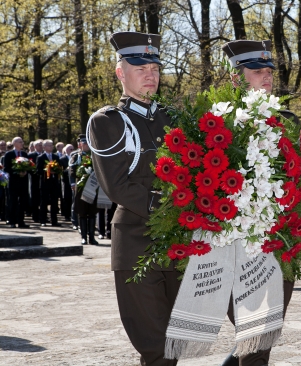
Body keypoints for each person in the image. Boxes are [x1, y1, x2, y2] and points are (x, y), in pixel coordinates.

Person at [87, 32, 179, 366]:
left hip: (179, 242)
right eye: (139, 67)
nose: (150, 74)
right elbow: (118, 186)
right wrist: (172, 207)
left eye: (154, 67)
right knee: (155, 347)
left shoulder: (173, 119)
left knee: (177, 343)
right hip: (136, 243)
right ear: (120, 73)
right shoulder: (108, 121)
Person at [220, 39, 298, 366]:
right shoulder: (219, 122)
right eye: (257, 71)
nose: (266, 76)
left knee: (263, 335)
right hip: (235, 248)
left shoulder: (286, 119)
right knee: (254, 335)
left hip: (281, 245)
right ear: (237, 78)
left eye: (268, 71)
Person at [69, 134, 98, 244]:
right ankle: (84, 237)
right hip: (80, 186)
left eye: (87, 143)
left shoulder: (94, 155)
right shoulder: (76, 156)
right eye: (83, 143)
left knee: (92, 212)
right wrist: (72, 183)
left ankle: (92, 237)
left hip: (92, 186)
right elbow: (72, 170)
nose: (85, 145)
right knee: (82, 212)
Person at [3, 137, 30, 228]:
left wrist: (25, 171)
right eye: (20, 142)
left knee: (22, 201)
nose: (22, 143)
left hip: (23, 182)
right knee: (13, 201)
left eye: (22, 142)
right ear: (14, 143)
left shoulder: (24, 154)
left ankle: (21, 221)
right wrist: (16, 172)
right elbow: (6, 168)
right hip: (13, 182)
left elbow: (28, 166)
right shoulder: (9, 154)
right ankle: (12, 221)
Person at [36, 139, 61, 227]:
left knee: (54, 202)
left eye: (52, 145)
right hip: (44, 182)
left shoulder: (56, 156)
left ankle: (54, 220)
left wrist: (56, 171)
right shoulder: (41, 157)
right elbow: (38, 170)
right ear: (44, 147)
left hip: (54, 182)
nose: (51, 147)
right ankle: (43, 220)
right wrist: (47, 170)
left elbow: (59, 168)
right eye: (49, 145)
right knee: (44, 202)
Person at [28, 139, 43, 222]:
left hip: (43, 179)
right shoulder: (31, 155)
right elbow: (28, 167)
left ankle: (42, 216)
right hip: (34, 179)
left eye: (41, 145)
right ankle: (35, 216)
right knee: (35, 198)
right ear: (35, 146)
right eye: (39, 145)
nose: (40, 146)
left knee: (42, 198)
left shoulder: (45, 155)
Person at [59, 144, 74, 221]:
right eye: (70, 149)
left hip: (73, 181)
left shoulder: (75, 158)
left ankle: (73, 215)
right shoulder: (62, 159)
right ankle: (66, 215)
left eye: (73, 149)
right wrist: (67, 170)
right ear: (66, 150)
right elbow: (60, 171)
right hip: (65, 181)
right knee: (67, 198)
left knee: (73, 199)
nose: (72, 151)